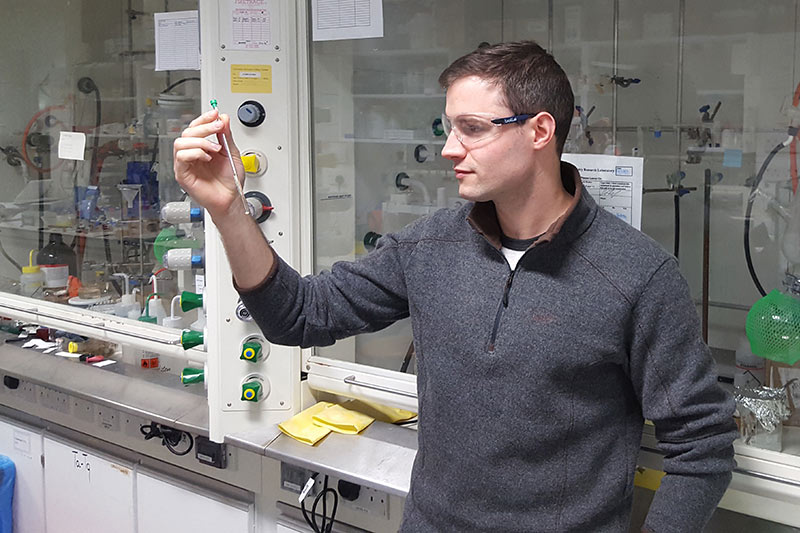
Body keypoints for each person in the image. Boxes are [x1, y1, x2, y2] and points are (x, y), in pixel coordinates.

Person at [175, 41, 737, 532]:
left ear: (540, 131)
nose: (449, 148)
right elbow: (296, 315)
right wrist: (228, 211)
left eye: (472, 128)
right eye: (449, 127)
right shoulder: (429, 248)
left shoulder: (637, 275)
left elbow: (702, 449)